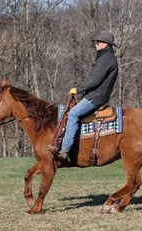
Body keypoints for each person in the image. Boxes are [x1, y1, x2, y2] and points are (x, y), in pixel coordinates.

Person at [49, 30, 119, 161]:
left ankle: (65, 151)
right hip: (96, 95)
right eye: (96, 42)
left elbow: (94, 80)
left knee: (73, 114)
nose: (96, 44)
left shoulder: (106, 59)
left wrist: (78, 89)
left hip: (96, 97)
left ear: (106, 44)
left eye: (98, 42)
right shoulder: (106, 58)